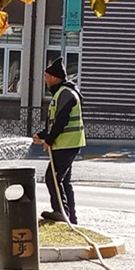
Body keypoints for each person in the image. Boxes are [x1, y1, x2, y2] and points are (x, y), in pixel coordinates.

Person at [33, 57, 85, 225]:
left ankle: (60, 212)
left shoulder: (65, 94)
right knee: (64, 181)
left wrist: (48, 140)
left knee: (52, 178)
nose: (45, 81)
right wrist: (42, 135)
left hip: (66, 144)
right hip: (68, 143)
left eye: (47, 77)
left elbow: (61, 121)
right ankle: (71, 217)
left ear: (55, 78)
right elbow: (54, 122)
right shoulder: (64, 93)